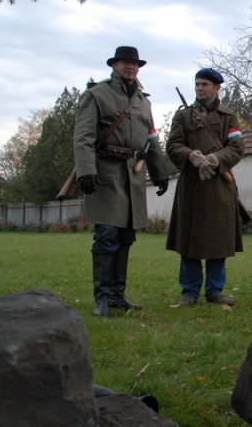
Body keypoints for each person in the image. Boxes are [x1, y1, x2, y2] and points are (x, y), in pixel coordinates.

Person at [74, 46, 169, 317]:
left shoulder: (143, 102)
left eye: (135, 64)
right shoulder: (96, 95)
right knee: (106, 236)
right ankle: (102, 299)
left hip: (133, 176)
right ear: (114, 65)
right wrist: (85, 170)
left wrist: (160, 172)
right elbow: (83, 136)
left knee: (126, 238)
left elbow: (151, 140)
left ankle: (117, 296)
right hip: (105, 173)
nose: (131, 67)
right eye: (125, 62)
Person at [165, 68, 245, 307]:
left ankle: (215, 291)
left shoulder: (229, 116)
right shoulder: (183, 116)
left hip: (219, 186)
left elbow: (237, 147)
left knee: (218, 239)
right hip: (191, 186)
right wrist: (191, 156)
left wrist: (214, 159)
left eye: (205, 84)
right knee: (188, 240)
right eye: (197, 84)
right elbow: (173, 145)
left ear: (217, 88)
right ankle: (189, 292)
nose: (199, 88)